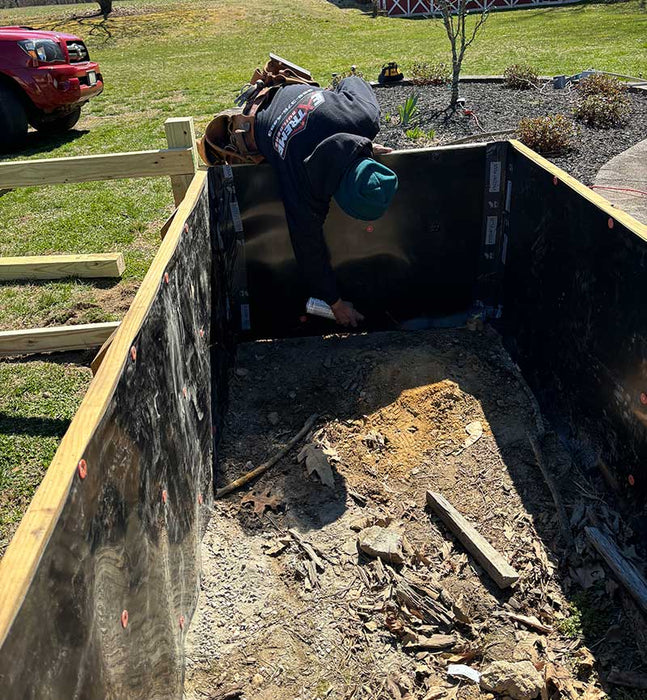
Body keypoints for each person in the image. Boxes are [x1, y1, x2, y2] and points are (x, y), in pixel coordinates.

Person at [253, 75, 399, 327]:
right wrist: (335, 303)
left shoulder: (363, 118)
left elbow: (352, 81)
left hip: (297, 95)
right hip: (257, 111)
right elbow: (307, 245)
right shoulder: (302, 181)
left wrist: (361, 143)